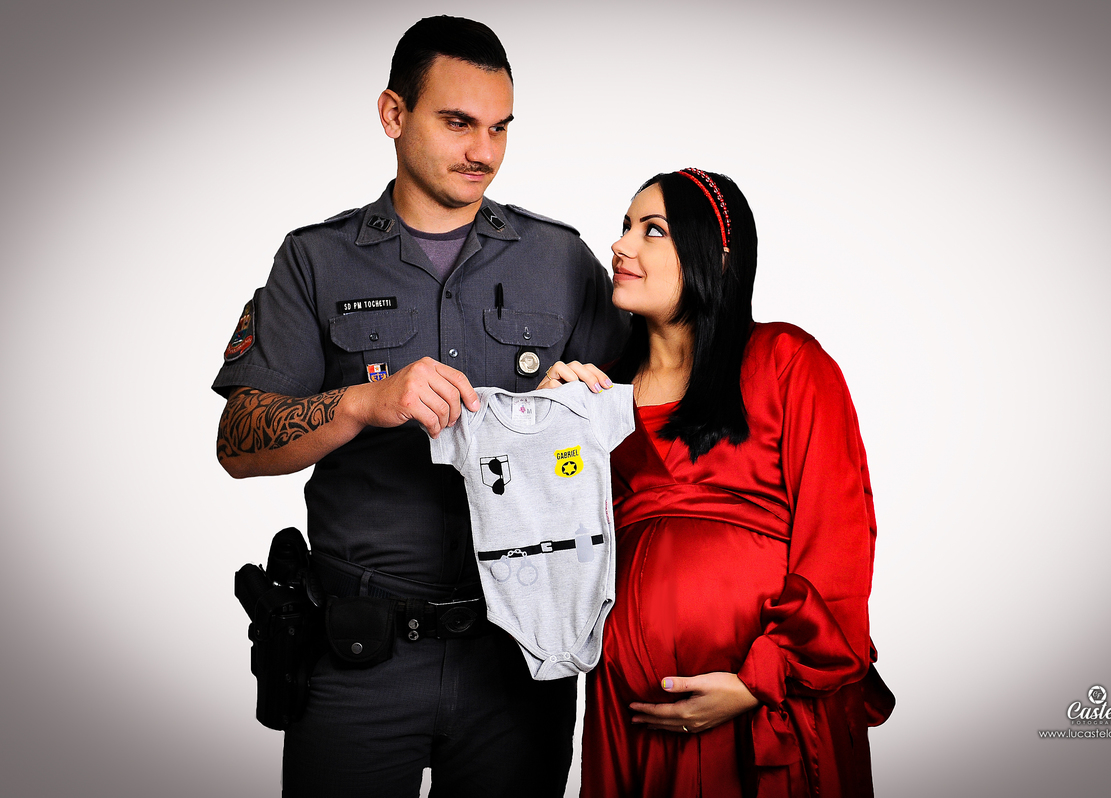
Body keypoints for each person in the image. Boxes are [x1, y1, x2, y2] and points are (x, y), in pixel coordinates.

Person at [211, 16, 627, 798]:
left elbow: (660, 412)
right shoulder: (315, 260)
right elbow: (237, 440)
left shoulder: (560, 260)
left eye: (500, 128)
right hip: (360, 659)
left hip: (523, 655)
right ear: (393, 114)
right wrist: (363, 402)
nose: (484, 152)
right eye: (459, 123)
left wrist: (581, 407)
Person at [541, 169, 894, 797]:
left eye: (652, 230)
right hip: (635, 712)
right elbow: (548, 558)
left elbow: (838, 540)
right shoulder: (596, 395)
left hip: (767, 706)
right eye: (625, 227)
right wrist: (543, 429)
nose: (620, 245)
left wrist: (759, 680)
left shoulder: (787, 362)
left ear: (717, 256)